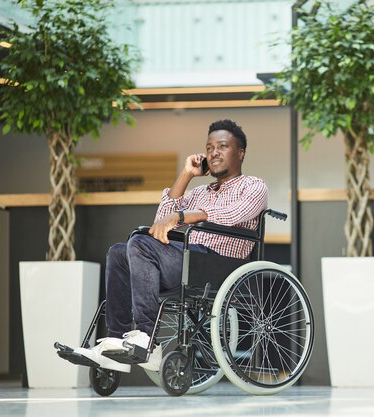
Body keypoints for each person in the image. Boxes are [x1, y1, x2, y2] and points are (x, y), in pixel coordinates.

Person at [74, 119, 268, 372]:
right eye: (209, 148)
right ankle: (117, 339)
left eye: (222, 146)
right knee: (120, 252)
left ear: (240, 152)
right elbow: (161, 221)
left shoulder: (254, 186)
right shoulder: (200, 192)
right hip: (188, 258)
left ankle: (146, 338)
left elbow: (232, 215)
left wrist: (185, 216)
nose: (214, 153)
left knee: (141, 244)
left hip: (218, 264)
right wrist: (186, 174)